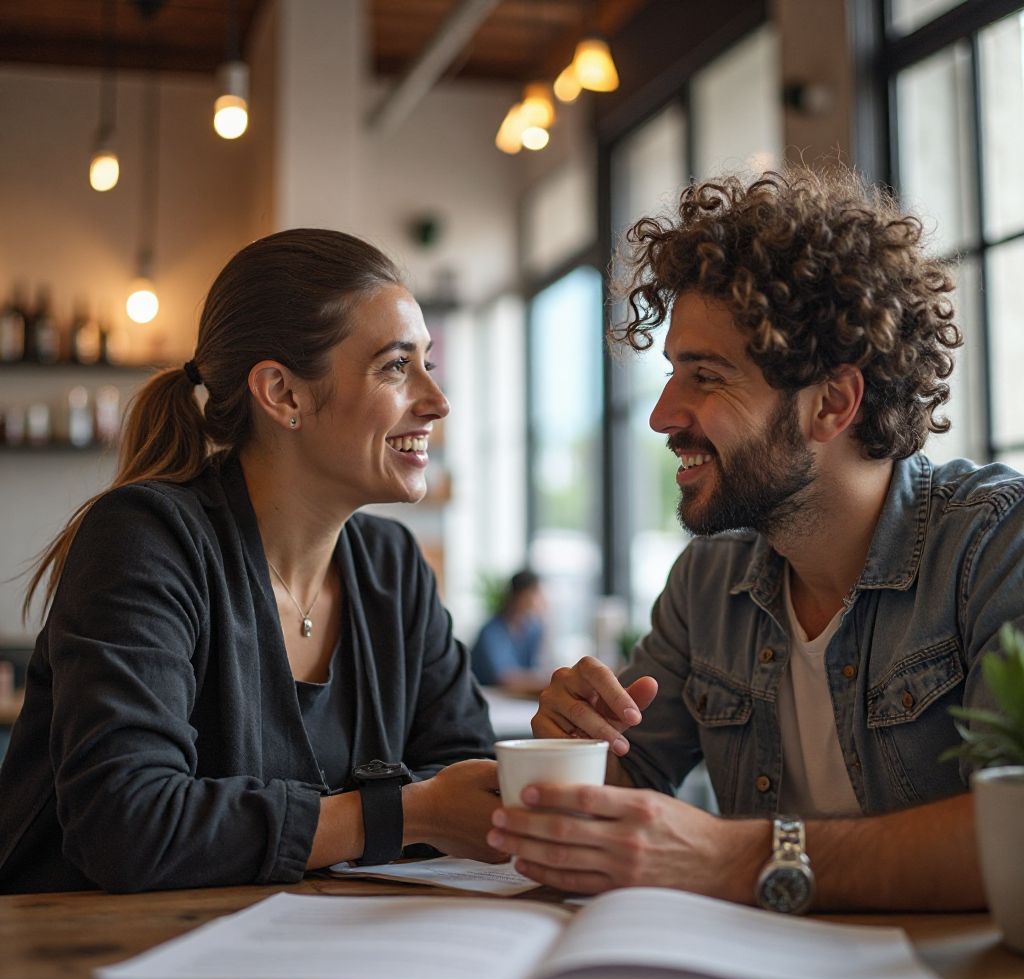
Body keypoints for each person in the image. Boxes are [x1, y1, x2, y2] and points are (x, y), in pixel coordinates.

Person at [486, 166, 1024, 912]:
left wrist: (734, 858)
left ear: (832, 402)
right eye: (672, 373)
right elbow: (629, 787)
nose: (664, 415)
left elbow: (1015, 835)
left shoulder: (997, 548)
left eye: (705, 377)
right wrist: (575, 750)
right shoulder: (709, 580)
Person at [0, 229, 502, 894]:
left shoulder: (394, 567)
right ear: (283, 393)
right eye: (394, 366)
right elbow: (127, 826)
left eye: (427, 365)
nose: (436, 402)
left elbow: (460, 783)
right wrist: (399, 813)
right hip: (93, 971)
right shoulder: (144, 540)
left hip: (315, 961)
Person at [471, 569, 547, 691]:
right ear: (519, 596)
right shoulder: (492, 631)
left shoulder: (533, 629)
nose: (542, 601)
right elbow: (505, 678)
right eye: (536, 594)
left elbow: (532, 670)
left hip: (513, 699)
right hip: (488, 696)